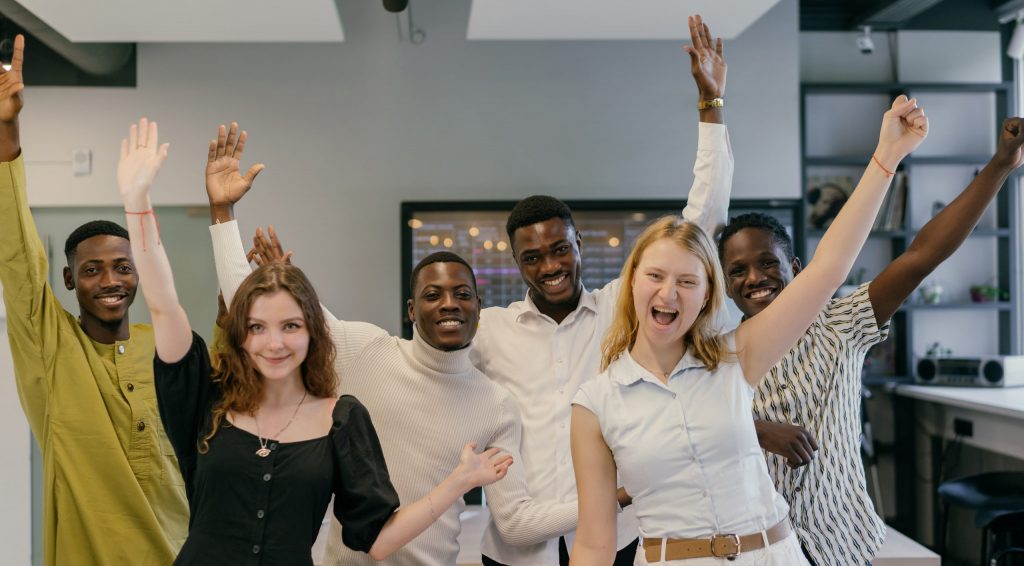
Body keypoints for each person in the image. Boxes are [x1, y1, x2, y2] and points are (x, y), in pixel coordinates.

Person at [115, 117, 513, 566]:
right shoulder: (209, 400)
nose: (274, 342)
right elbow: (165, 304)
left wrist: (459, 481)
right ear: (241, 334)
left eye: (290, 326)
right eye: (258, 327)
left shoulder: (341, 418)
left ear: (312, 331)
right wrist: (137, 201)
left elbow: (379, 540)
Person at [570, 96, 928, 565]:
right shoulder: (595, 404)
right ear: (631, 282)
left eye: (687, 281)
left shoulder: (737, 356)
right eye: (655, 276)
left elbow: (828, 269)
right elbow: (595, 543)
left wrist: (886, 157)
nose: (669, 294)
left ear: (706, 296)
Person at [204, 128, 578, 566]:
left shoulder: (496, 406)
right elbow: (251, 312)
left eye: (461, 294)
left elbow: (515, 524)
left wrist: (618, 497)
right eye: (432, 295)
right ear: (411, 310)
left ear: (479, 305)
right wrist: (222, 212)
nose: (448, 304)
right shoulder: (367, 350)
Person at [470, 15, 731, 565]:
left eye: (559, 249)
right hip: (519, 552)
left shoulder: (621, 307)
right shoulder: (491, 332)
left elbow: (700, 223)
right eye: (533, 257)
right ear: (517, 264)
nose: (551, 266)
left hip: (620, 538)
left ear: (579, 245)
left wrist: (711, 110)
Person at [718, 117, 1024, 565]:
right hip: (759, 550)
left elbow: (921, 256)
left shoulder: (841, 322)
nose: (756, 278)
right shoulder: (717, 354)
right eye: (738, 271)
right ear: (726, 287)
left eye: (768, 263)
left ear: (797, 268)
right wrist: (758, 431)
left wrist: (1000, 165)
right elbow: (690, 432)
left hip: (840, 540)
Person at [0, 36, 188, 566]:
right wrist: (7, 130)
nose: (110, 280)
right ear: (68, 279)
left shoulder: (168, 352)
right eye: (92, 269)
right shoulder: (52, 349)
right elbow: (17, 257)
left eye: (123, 267)